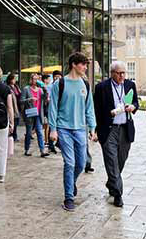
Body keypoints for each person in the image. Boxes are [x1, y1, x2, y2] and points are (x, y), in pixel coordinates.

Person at [48, 52, 97, 212]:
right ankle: (69, 197)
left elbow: (89, 108)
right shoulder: (59, 84)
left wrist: (92, 128)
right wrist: (53, 129)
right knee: (69, 163)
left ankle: (71, 182)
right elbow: (53, 108)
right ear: (74, 65)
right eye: (82, 64)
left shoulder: (85, 85)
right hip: (63, 129)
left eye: (86, 64)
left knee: (81, 163)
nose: (85, 67)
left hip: (80, 129)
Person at [93, 61, 139, 207]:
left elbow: (136, 103)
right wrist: (94, 129)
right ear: (112, 73)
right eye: (119, 73)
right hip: (109, 129)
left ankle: (111, 182)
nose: (122, 76)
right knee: (111, 162)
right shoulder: (101, 87)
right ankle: (118, 194)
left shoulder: (130, 85)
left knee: (121, 160)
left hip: (125, 129)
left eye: (124, 73)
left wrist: (133, 107)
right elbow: (96, 110)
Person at [21, 74, 49, 157]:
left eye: (37, 79)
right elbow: (21, 101)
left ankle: (42, 150)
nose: (36, 81)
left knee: (40, 132)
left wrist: (45, 88)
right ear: (31, 80)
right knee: (29, 132)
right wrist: (30, 99)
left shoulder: (40, 90)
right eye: (34, 79)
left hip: (38, 114)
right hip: (30, 113)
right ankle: (27, 149)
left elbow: (45, 98)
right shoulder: (26, 89)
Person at [6, 73, 22, 142]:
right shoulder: (8, 87)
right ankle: (12, 135)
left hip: (17, 105)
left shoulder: (16, 86)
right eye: (13, 78)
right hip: (12, 105)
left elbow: (19, 94)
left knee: (17, 121)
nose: (15, 80)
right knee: (13, 121)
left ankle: (14, 134)